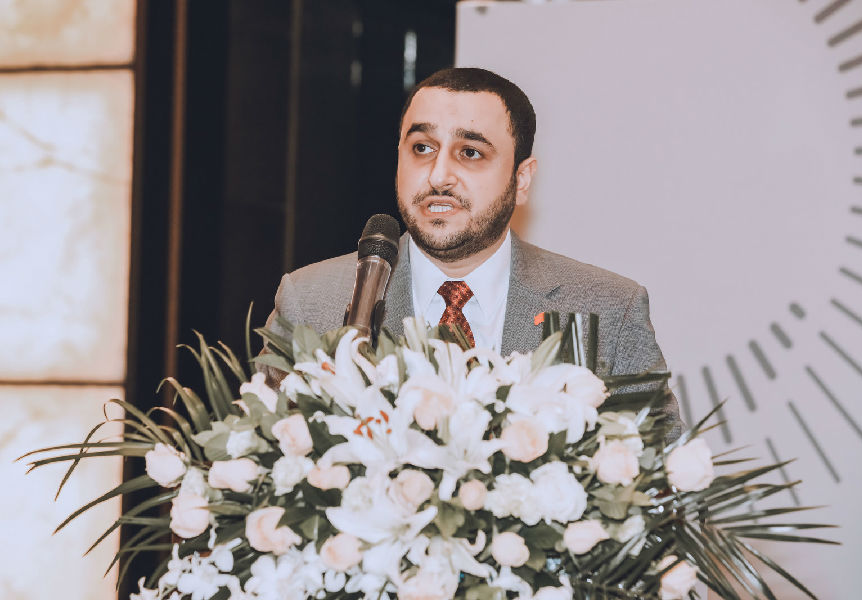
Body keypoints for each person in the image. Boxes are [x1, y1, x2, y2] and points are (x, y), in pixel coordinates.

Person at [264, 67, 683, 440]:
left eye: (470, 153)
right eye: (422, 148)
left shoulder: (608, 311)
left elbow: (661, 484)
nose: (439, 175)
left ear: (521, 179)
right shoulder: (311, 301)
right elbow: (257, 466)